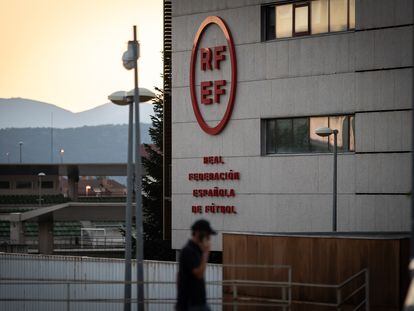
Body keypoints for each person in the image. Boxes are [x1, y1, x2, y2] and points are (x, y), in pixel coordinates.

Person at [176, 219, 217, 311]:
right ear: (199, 233)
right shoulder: (189, 251)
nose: (209, 238)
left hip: (198, 302)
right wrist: (206, 253)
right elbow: (198, 274)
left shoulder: (196, 250)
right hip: (191, 303)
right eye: (207, 235)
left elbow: (178, 275)